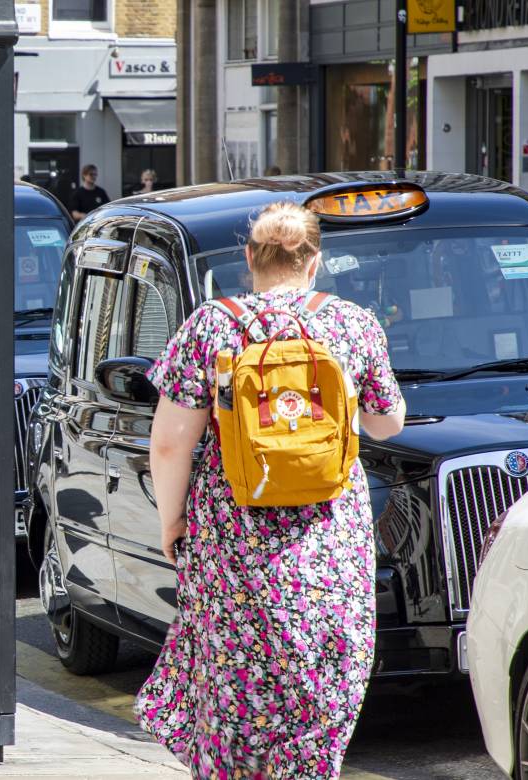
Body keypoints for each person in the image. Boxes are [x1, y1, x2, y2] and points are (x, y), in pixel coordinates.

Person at [133, 201, 406, 778]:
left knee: (232, 687)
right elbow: (387, 424)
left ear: (250, 257)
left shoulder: (211, 325)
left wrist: (172, 523)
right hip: (329, 544)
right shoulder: (352, 324)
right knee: (322, 680)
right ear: (315, 263)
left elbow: (168, 444)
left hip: (234, 542)